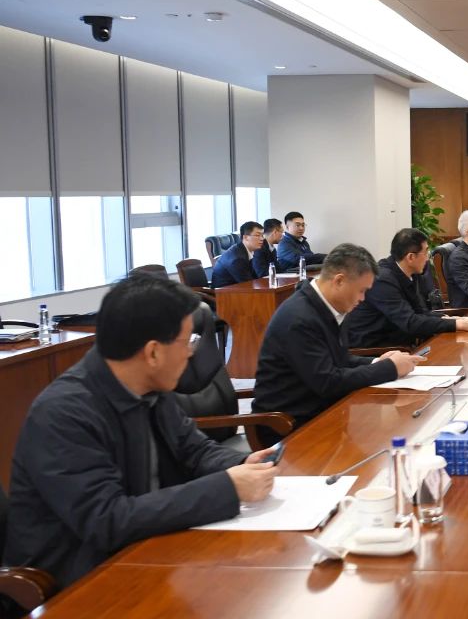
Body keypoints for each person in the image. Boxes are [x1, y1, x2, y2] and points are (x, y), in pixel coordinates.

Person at [3, 274, 278, 590]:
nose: (191, 353)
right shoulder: (63, 414)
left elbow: (193, 450)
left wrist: (240, 465)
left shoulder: (150, 386)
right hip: (78, 583)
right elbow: (107, 520)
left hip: (146, 550)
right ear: (153, 353)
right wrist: (227, 488)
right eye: (188, 342)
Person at [252, 243, 419, 443]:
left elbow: (340, 359)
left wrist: (377, 361)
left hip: (321, 410)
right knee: (385, 442)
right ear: (339, 281)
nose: (363, 299)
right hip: (290, 425)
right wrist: (389, 368)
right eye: (361, 291)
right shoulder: (299, 319)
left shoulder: (324, 306)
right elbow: (328, 382)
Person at [346, 228, 468, 348]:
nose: (427, 258)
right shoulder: (382, 280)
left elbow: (419, 312)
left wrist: (453, 319)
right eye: (425, 252)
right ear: (411, 257)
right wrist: (458, 324)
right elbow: (410, 322)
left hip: (402, 342)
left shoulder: (410, 272)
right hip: (378, 348)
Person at [210, 221, 264, 288]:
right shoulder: (238, 259)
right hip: (225, 292)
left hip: (238, 289)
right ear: (245, 237)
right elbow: (248, 285)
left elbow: (254, 279)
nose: (262, 239)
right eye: (257, 235)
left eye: (262, 235)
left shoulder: (244, 250)